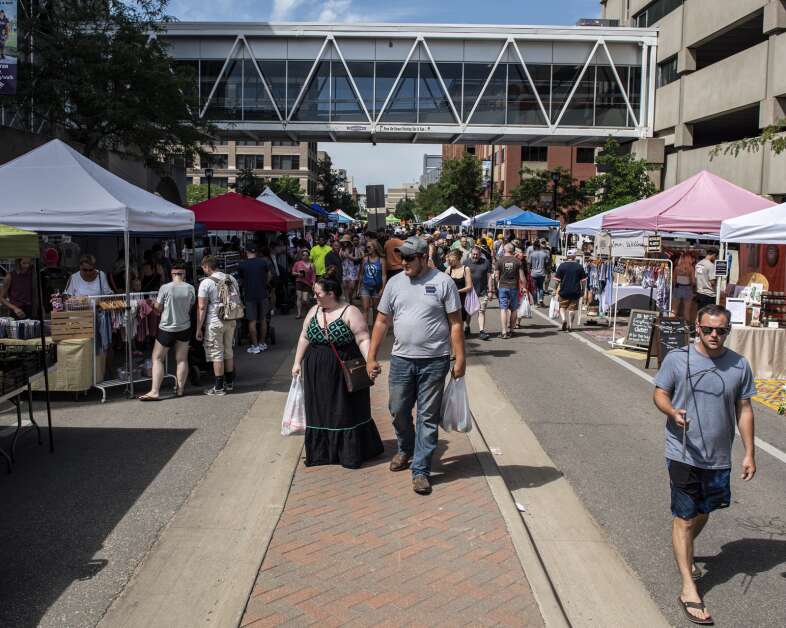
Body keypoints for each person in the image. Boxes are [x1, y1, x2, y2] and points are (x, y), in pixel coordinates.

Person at [653, 304, 756, 625]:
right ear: (696, 327)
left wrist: (750, 452)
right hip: (682, 452)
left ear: (728, 331)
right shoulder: (676, 359)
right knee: (684, 517)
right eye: (708, 329)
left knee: (704, 510)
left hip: (718, 455)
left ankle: (684, 546)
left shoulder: (739, 365)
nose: (714, 335)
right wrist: (672, 412)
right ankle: (689, 587)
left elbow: (745, 409)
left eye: (721, 330)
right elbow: (659, 393)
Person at [366, 236, 465, 496]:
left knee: (427, 416)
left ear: (424, 258)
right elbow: (381, 322)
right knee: (397, 409)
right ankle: (406, 448)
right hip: (401, 360)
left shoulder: (444, 282)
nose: (404, 262)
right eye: (402, 257)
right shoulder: (395, 283)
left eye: (410, 257)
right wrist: (371, 356)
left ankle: (420, 469)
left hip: (435, 361)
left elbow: (456, 323)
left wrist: (460, 358)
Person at [291, 270, 384, 468]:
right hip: (316, 371)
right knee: (320, 408)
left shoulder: (350, 311)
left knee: (343, 409)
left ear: (331, 293)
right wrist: (297, 362)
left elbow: (362, 338)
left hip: (343, 370)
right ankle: (323, 453)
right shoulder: (314, 311)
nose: (314, 296)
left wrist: (370, 361)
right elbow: (304, 337)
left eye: (318, 293)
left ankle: (348, 452)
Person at [139, 261, 195, 401]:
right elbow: (190, 306)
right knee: (182, 359)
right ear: (184, 273)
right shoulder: (190, 288)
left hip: (167, 328)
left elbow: (158, 308)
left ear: (172, 273)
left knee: (157, 358)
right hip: (184, 327)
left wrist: (152, 304)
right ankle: (180, 389)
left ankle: (155, 391)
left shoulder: (165, 288)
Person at [196, 255, 239, 396]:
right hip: (231, 319)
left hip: (215, 321)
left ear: (207, 267)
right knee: (228, 351)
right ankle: (230, 382)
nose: (204, 270)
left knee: (216, 353)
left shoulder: (205, 283)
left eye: (204, 268)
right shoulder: (231, 278)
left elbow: (202, 307)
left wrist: (198, 327)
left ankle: (218, 387)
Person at [238, 244, 270, 354]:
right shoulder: (262, 262)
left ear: (246, 252)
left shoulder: (242, 264)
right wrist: (265, 284)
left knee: (252, 321)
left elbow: (240, 281)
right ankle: (262, 343)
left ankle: (255, 346)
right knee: (263, 319)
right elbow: (269, 274)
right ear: (256, 252)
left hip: (250, 295)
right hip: (263, 294)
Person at [495, 243, 525, 339]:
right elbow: (522, 277)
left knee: (503, 309)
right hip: (514, 287)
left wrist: (496, 285)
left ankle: (504, 332)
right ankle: (511, 330)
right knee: (514, 309)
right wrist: (524, 287)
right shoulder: (517, 262)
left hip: (503, 287)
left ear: (504, 250)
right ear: (513, 251)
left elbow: (496, 276)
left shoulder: (500, 261)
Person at [553, 249, 587, 332]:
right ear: (575, 257)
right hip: (575, 291)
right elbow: (583, 281)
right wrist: (583, 290)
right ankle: (570, 326)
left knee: (562, 307)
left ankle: (564, 319)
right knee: (572, 309)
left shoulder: (562, 266)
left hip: (564, 290)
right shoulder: (579, 267)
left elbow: (557, 280)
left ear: (567, 256)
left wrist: (554, 289)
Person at [445, 249, 473, 337]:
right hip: (450, 299)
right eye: (449, 260)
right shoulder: (448, 269)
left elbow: (469, 286)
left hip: (462, 299)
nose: (450, 262)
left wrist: (457, 291)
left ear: (458, 258)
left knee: (460, 321)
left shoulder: (466, 269)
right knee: (451, 321)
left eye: (452, 260)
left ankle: (462, 333)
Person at [357, 241, 387, 325]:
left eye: (369, 247)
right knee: (365, 308)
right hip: (365, 287)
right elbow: (361, 274)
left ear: (375, 248)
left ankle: (374, 328)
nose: (367, 248)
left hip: (376, 288)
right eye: (367, 247)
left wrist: (383, 289)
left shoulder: (382, 260)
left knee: (375, 309)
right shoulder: (365, 259)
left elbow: (384, 276)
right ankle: (364, 329)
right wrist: (359, 287)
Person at [467, 247, 493, 340]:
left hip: (482, 292)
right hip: (469, 292)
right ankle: (467, 327)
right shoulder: (466, 262)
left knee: (481, 311)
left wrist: (490, 290)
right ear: (471, 254)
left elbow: (489, 277)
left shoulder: (486, 262)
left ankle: (482, 331)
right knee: (468, 312)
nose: (475, 256)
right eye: (473, 254)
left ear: (480, 254)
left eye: (477, 254)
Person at [291, 249, 315, 319]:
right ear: (301, 256)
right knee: (299, 297)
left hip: (307, 283)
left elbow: (313, 275)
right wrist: (298, 274)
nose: (305, 256)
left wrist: (313, 283)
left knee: (305, 300)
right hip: (299, 281)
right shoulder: (297, 263)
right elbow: (293, 272)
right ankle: (299, 313)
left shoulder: (311, 265)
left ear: (308, 256)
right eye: (303, 255)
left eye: (306, 255)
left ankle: (308, 310)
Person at [528, 241, 551, 306]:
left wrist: (528, 271)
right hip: (542, 273)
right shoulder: (544, 254)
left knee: (534, 288)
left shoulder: (532, 254)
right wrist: (548, 271)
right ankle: (541, 300)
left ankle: (535, 302)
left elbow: (529, 264)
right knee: (541, 287)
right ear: (540, 246)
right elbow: (547, 264)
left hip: (533, 273)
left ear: (534, 247)